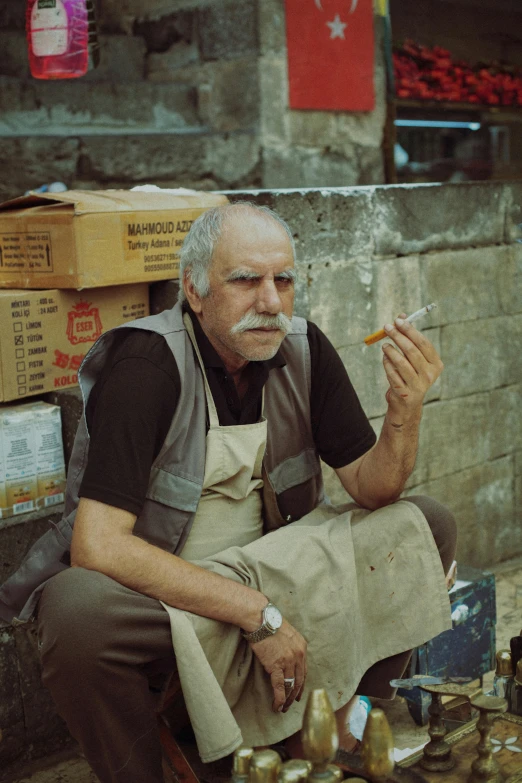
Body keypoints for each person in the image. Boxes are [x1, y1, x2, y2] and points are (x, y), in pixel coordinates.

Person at [0, 202, 456, 783]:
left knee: (426, 523)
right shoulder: (146, 365)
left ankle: (336, 718)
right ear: (195, 290)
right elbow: (99, 547)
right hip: (171, 597)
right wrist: (256, 614)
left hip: (275, 570)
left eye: (284, 280)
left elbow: (372, 488)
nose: (270, 302)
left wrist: (404, 411)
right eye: (245, 280)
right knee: (76, 614)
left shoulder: (303, 348)